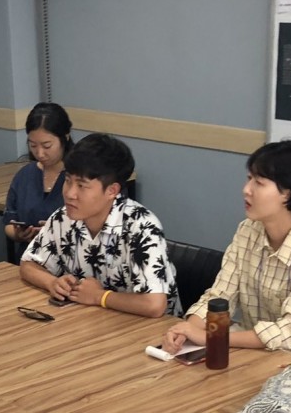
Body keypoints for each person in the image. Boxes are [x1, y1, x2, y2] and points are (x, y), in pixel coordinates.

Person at [161, 139, 291, 358]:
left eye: (259, 183)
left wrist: (212, 337)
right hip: (258, 352)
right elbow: (221, 296)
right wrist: (189, 329)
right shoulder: (248, 230)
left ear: (287, 194)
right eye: (248, 178)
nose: (246, 190)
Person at [19, 133, 177, 317]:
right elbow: (28, 264)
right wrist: (52, 282)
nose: (69, 193)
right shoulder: (64, 218)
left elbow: (154, 305)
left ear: (112, 191)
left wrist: (99, 297)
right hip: (91, 320)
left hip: (150, 328)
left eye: (82, 186)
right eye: (68, 181)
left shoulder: (141, 227)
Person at [2, 102, 73, 252]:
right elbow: (9, 222)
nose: (39, 153)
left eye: (47, 146)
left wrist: (57, 232)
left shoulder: (79, 176)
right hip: (28, 256)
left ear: (65, 137)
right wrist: (19, 234)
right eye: (33, 145)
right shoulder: (25, 175)